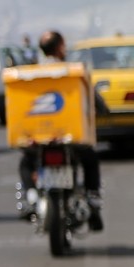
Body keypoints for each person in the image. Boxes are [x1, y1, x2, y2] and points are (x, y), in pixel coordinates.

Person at [17, 30, 106, 230]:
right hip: (70, 139)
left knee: (25, 163)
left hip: (38, 139)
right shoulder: (73, 72)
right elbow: (96, 100)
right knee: (90, 160)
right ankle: (93, 202)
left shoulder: (30, 74)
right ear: (60, 48)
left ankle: (30, 197)